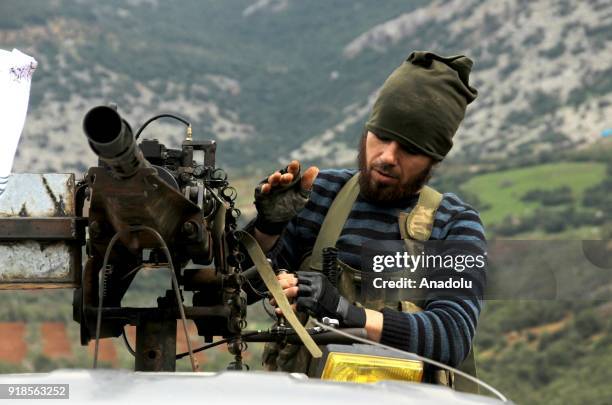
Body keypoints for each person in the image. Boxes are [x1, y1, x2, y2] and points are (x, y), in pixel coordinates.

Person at [246, 51, 485, 387]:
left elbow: (450, 335)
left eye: (409, 149)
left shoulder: (453, 223)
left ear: (433, 159)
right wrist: (266, 229)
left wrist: (344, 312)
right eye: (382, 136)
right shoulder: (320, 196)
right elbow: (242, 291)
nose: (387, 157)